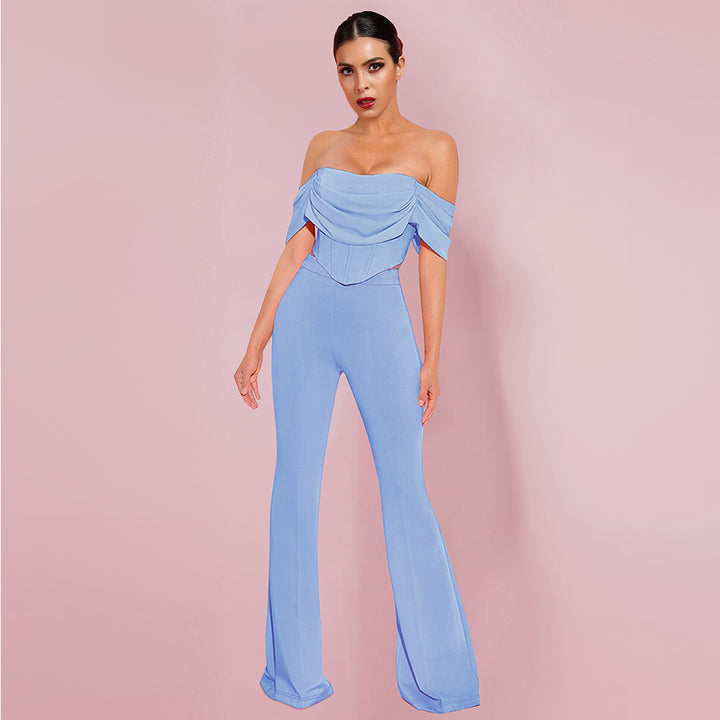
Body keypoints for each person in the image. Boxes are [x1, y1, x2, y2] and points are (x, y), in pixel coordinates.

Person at [234, 10, 480, 714]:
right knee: (294, 485)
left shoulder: (435, 148)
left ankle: (439, 680)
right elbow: (296, 246)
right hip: (306, 318)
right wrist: (256, 340)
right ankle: (294, 678)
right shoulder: (322, 146)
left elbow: (432, 259)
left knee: (405, 490)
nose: (360, 84)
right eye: (347, 70)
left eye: (373, 66)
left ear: (400, 63)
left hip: (379, 319)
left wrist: (431, 357)